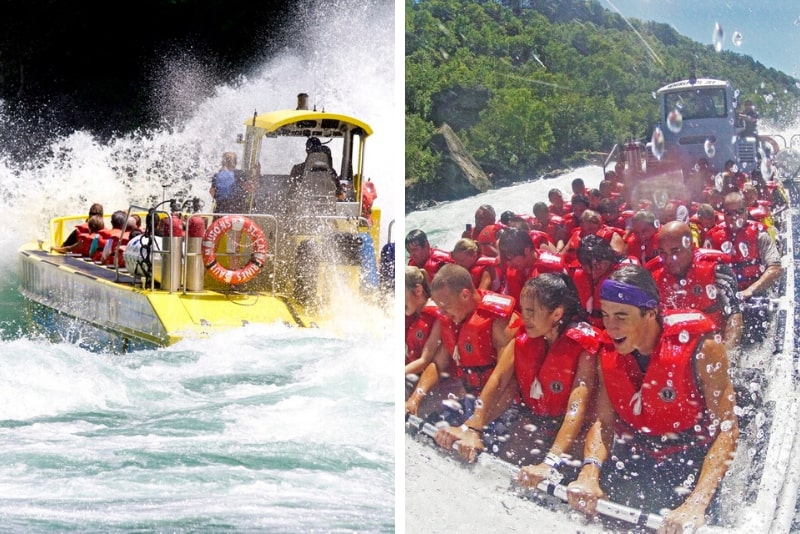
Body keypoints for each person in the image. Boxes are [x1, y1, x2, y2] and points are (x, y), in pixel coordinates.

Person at [567, 264, 738, 532]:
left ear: (650, 313)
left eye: (621, 316)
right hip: (636, 453)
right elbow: (604, 423)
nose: (610, 327)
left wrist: (697, 500)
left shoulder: (704, 349)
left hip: (689, 457)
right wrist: (589, 471)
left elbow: (727, 430)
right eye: (606, 315)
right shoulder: (607, 353)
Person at [434, 273, 602, 476]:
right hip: (536, 421)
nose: (525, 317)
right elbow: (498, 379)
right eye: (524, 310)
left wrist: (549, 462)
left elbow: (577, 410)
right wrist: (471, 427)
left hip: (575, 433)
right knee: (499, 469)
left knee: (559, 475)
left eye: (531, 312)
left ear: (557, 314)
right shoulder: (524, 338)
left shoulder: (584, 351)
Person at [404, 264, 520, 420]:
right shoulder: (452, 319)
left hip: (505, 406)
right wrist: (414, 400)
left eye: (446, 307)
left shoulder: (499, 323)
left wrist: (473, 426)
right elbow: (438, 365)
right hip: (471, 399)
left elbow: (507, 383)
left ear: (465, 295)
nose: (442, 313)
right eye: (440, 307)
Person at [648, 220, 743, 353]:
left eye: (675, 251)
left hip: (713, 348)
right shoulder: (653, 277)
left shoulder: (717, 270)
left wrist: (727, 355)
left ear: (692, 247)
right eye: (663, 252)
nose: (668, 259)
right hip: (673, 353)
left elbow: (734, 314)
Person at [405, 266, 444, 392]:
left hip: (436, 385)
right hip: (412, 376)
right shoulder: (411, 314)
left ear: (418, 291)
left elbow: (424, 360)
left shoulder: (437, 316)